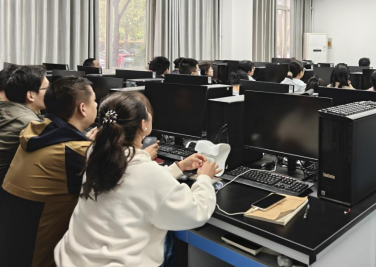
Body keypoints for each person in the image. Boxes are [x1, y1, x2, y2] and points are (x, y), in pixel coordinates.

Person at [54, 91, 220, 267]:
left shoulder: (96, 152)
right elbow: (196, 213)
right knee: (172, 239)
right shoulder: (145, 172)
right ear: (143, 125)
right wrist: (204, 178)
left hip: (74, 258)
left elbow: (135, 183)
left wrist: (178, 167)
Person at [0, 77, 98, 267]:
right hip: (39, 257)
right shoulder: (74, 153)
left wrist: (84, 142)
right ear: (82, 108)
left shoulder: (35, 131)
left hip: (12, 247)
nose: (96, 105)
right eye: (94, 100)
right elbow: (121, 181)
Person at [0, 66, 47, 185]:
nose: (52, 92)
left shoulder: (6, 108)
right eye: (47, 88)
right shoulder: (29, 123)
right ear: (30, 95)